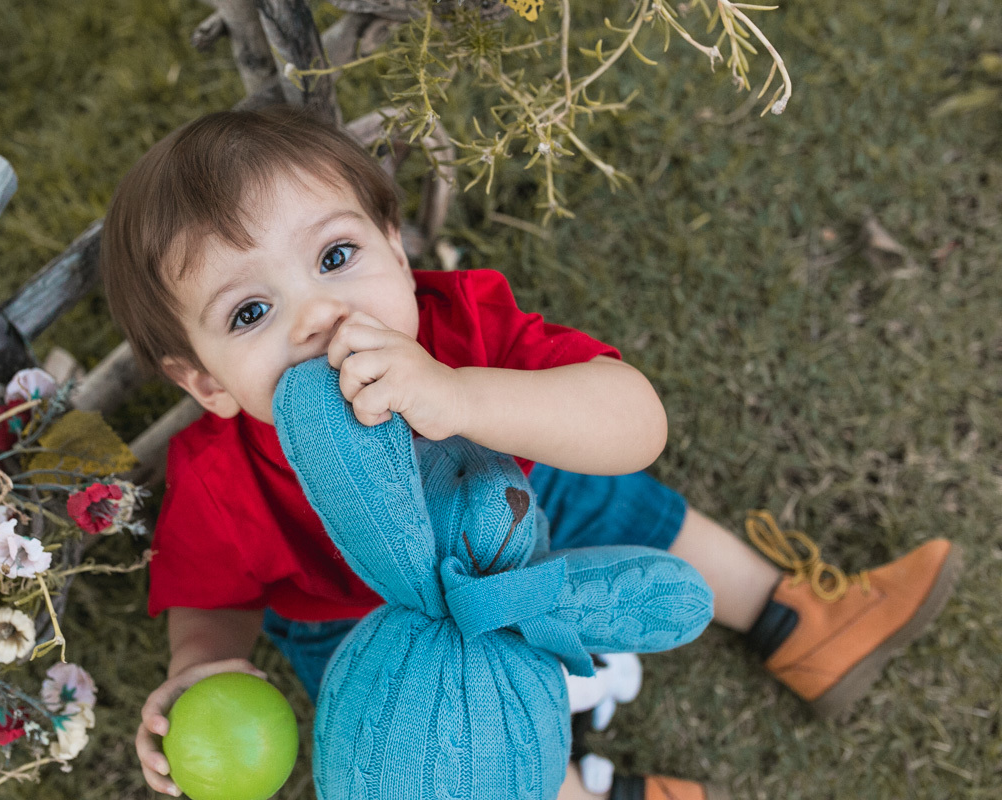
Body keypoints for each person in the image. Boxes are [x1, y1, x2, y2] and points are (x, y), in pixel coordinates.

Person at [98, 105, 961, 800]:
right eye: (250, 314)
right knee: (446, 740)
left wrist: (461, 394)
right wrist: (202, 668)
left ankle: (800, 619)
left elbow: (635, 422)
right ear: (205, 383)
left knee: (635, 512)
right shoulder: (217, 477)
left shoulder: (466, 325)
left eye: (335, 255)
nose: (314, 316)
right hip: (367, 623)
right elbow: (212, 599)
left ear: (396, 250)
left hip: (523, 513)